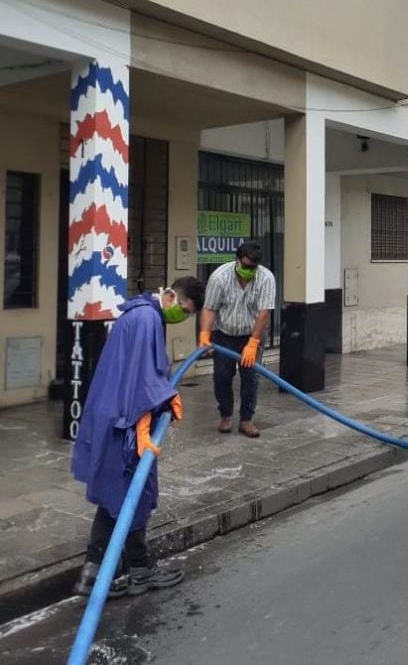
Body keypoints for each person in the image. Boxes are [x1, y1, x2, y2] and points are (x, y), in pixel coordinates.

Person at [71, 276, 205, 598]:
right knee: (131, 492)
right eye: (184, 310)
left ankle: (110, 572)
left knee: (118, 493)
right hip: (125, 420)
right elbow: (142, 376)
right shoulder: (147, 318)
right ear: (172, 296)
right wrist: (162, 401)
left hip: (114, 412)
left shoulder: (139, 314)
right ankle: (132, 570)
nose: (182, 317)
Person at [198, 239, 276, 438]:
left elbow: (264, 313)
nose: (249, 270)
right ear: (237, 260)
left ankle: (246, 420)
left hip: (251, 336)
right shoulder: (220, 277)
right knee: (222, 378)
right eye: (246, 266)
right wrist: (205, 334)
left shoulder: (266, 278)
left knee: (251, 378)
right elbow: (210, 307)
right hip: (224, 335)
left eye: (253, 267)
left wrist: (253, 342)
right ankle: (225, 416)